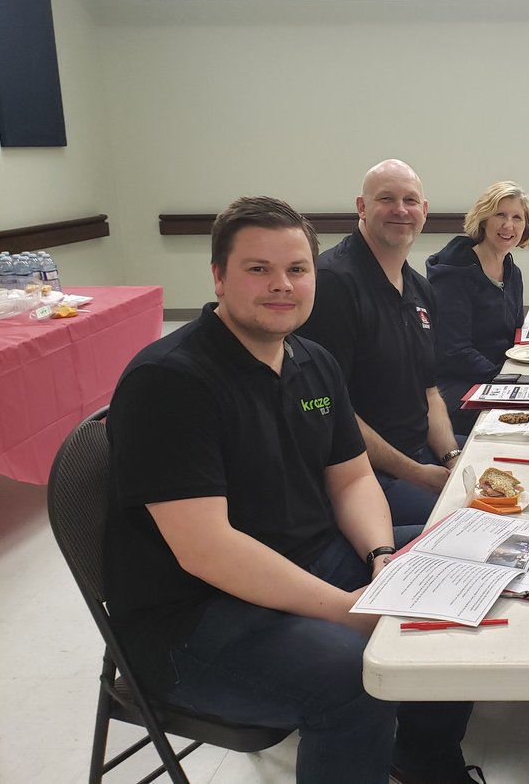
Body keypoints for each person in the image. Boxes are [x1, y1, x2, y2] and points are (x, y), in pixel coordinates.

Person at [104, 196, 478, 784]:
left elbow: (352, 477)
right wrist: (350, 611)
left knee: (460, 560)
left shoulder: (312, 360)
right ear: (218, 276)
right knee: (359, 679)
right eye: (258, 269)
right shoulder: (169, 382)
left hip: (312, 559)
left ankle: (423, 760)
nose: (282, 286)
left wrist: (381, 561)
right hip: (195, 616)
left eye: (297, 270)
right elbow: (206, 550)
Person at [299, 159, 465, 527]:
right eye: (386, 198)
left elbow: (430, 392)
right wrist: (419, 474)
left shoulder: (420, 288)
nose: (401, 210)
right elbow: (334, 416)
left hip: (423, 454)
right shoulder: (333, 285)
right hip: (367, 475)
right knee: (480, 524)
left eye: (410, 200)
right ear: (361, 206)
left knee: (514, 471)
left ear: (424, 211)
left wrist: (452, 456)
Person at [426, 181, 529, 435]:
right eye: (500, 215)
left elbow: (515, 336)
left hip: (496, 376)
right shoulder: (454, 273)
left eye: (517, 217)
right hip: (455, 385)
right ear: (484, 219)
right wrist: (509, 379)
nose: (508, 225)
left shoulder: (512, 271)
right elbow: (454, 351)